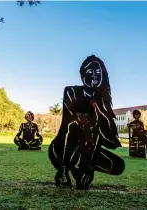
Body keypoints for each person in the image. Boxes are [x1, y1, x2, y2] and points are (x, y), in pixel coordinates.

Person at [48, 55, 125, 190]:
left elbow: (107, 138)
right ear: (82, 74)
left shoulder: (103, 101)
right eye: (90, 72)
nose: (94, 76)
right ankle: (65, 169)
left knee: (117, 165)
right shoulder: (71, 91)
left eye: (98, 72)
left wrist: (88, 167)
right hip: (64, 147)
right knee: (75, 127)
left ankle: (81, 168)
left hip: (88, 150)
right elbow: (70, 123)